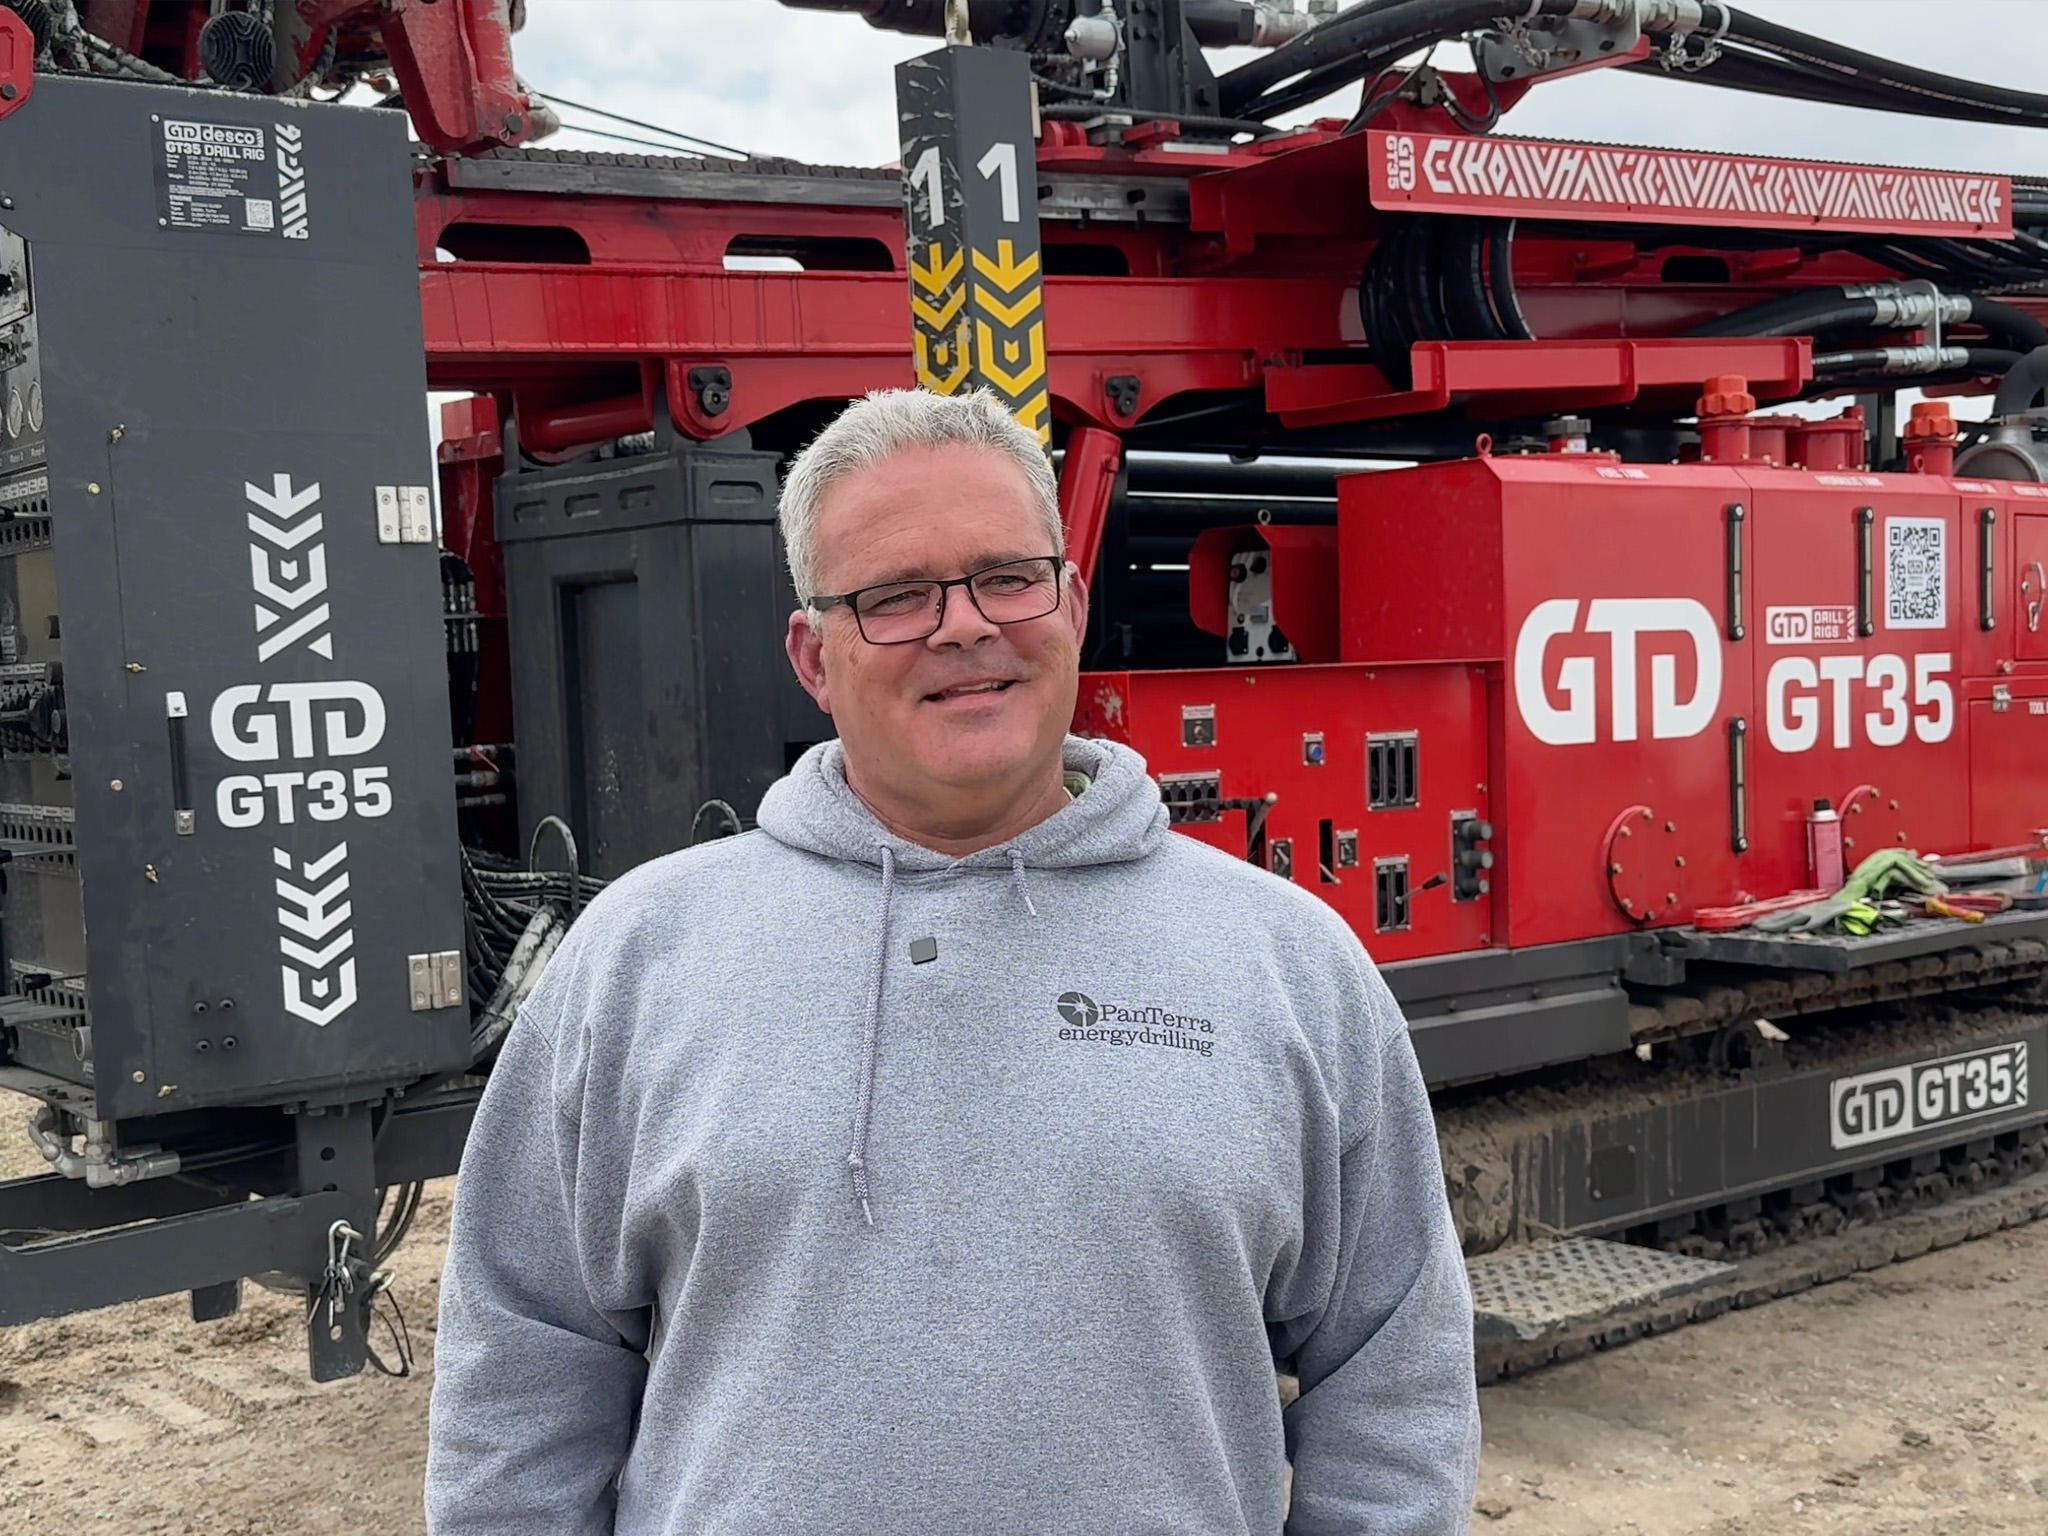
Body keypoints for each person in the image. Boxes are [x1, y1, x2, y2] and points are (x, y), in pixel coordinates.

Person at [425, 388, 1480, 1536]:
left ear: (1070, 603)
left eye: (1005, 577)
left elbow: (1393, 1383)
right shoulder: (640, 960)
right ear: (811, 657)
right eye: (892, 596)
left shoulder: (1285, 965)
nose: (963, 626)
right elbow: (521, 1372)